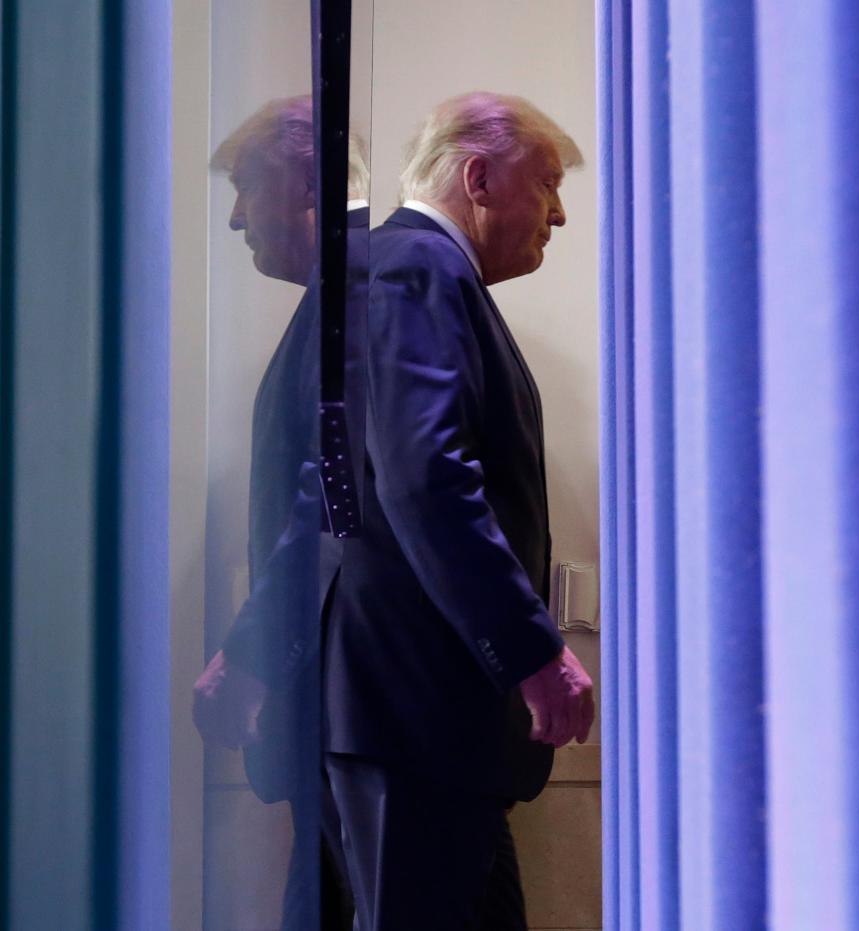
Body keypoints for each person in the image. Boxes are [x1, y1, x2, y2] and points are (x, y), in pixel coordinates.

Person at [323, 92, 596, 930]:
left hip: (429, 722)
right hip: (419, 715)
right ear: (477, 176)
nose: (557, 211)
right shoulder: (418, 265)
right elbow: (426, 475)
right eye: (546, 182)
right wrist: (532, 652)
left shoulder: (422, 273)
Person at [192, 95, 365, 931]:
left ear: (305, 182)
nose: (233, 220)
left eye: (243, 189)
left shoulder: (352, 300)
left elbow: (328, 504)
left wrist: (249, 654)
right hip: (337, 714)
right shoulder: (335, 302)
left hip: (348, 711)